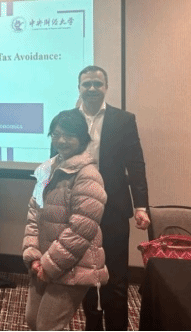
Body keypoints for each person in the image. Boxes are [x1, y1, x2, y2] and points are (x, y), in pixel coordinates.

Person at [62, 65, 149, 331]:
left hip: (113, 209)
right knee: (85, 275)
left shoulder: (124, 120)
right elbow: (55, 162)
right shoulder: (66, 120)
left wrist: (141, 206)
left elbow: (135, 164)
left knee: (116, 277)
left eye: (97, 84)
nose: (91, 88)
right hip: (78, 208)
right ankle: (92, 326)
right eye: (86, 84)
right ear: (79, 87)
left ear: (106, 87)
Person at [22, 110, 108, 331]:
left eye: (68, 135)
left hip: (73, 268)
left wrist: (49, 265)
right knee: (33, 320)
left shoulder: (88, 175)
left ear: (82, 137)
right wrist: (33, 254)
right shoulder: (47, 168)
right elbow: (33, 214)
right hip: (44, 261)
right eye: (56, 134)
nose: (61, 140)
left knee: (47, 326)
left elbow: (81, 230)